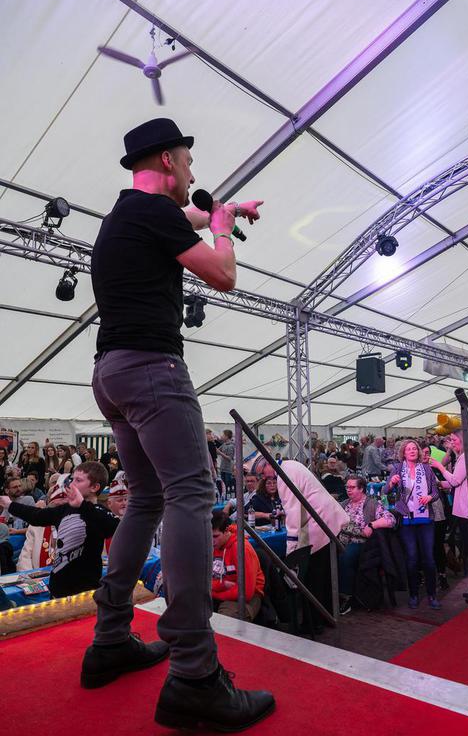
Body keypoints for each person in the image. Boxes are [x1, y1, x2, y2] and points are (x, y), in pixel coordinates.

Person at [83, 117, 273, 730]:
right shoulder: (153, 212)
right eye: (188, 161)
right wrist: (224, 230)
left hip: (110, 372)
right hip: (152, 369)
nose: (193, 172)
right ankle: (195, 672)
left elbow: (187, 216)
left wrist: (224, 209)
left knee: (146, 498)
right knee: (192, 493)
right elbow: (223, 274)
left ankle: (110, 638)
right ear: (168, 160)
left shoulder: (125, 215)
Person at [252, 457, 348, 631]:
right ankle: (326, 617)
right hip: (325, 522)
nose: (264, 477)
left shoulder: (284, 475)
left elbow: (293, 514)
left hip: (320, 525)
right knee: (324, 575)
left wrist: (291, 549)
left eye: (262, 473)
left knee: (313, 577)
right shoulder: (291, 465)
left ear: (268, 464)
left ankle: (315, 623)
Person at [0, 462, 117, 598]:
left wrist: (82, 505)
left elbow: (113, 526)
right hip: (58, 589)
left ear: (94, 487)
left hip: (84, 592)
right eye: (72, 479)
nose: (72, 484)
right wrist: (10, 505)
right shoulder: (65, 509)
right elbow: (37, 516)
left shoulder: (99, 512)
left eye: (78, 480)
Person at [430, 430, 468, 605]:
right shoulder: (464, 456)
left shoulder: (466, 457)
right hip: (466, 509)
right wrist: (439, 483)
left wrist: (439, 467)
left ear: (462, 440)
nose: (451, 443)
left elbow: (455, 481)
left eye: (454, 440)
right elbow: (455, 482)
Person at [385, 439, 441, 609]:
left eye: (414, 449)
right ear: (404, 453)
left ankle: (432, 594)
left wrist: (430, 497)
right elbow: (385, 491)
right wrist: (391, 483)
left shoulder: (426, 469)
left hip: (425, 519)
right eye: (408, 449)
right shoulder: (397, 469)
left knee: (429, 558)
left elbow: (436, 492)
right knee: (412, 558)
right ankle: (414, 594)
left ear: (418, 452)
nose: (412, 451)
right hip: (407, 520)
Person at [338, 475, 396, 614]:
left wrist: (372, 525)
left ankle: (346, 597)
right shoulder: (344, 504)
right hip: (342, 541)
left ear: (361, 489)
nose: (348, 490)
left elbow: (391, 520)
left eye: (352, 487)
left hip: (362, 543)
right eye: (347, 487)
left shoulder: (372, 504)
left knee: (346, 556)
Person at [211, 511, 265, 622]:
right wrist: (222, 585)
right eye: (208, 536)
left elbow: (245, 593)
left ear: (226, 530)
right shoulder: (208, 545)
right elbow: (200, 581)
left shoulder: (242, 549)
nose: (212, 541)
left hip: (248, 597)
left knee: (225, 622)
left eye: (215, 536)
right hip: (222, 590)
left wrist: (214, 593)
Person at [17, 477, 69, 571]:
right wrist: (31, 577)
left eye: (63, 506)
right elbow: (25, 558)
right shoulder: (36, 526)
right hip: (38, 577)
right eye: (56, 506)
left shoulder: (79, 526)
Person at [421, 444, 450, 591]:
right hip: (422, 513)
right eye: (423, 453)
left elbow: (447, 486)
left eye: (428, 453)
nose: (426, 456)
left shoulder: (436, 469)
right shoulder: (413, 470)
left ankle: (442, 575)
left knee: (438, 544)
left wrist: (439, 484)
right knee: (425, 546)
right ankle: (427, 575)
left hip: (438, 511)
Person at [217, 430, 235, 494]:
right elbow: (217, 451)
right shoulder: (224, 444)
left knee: (227, 485)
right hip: (222, 468)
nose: (222, 436)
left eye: (223, 435)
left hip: (228, 469)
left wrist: (220, 453)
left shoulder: (231, 446)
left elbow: (229, 458)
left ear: (227, 436)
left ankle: (228, 497)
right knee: (222, 485)